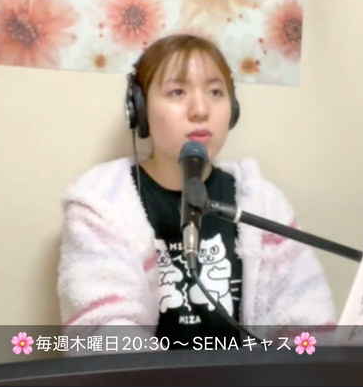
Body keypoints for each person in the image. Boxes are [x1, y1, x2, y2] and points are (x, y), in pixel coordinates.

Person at [57, 34, 337, 354]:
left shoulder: (262, 202)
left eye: (215, 92)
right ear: (140, 108)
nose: (201, 109)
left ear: (232, 109)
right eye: (177, 92)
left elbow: (307, 321)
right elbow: (101, 332)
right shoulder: (101, 204)